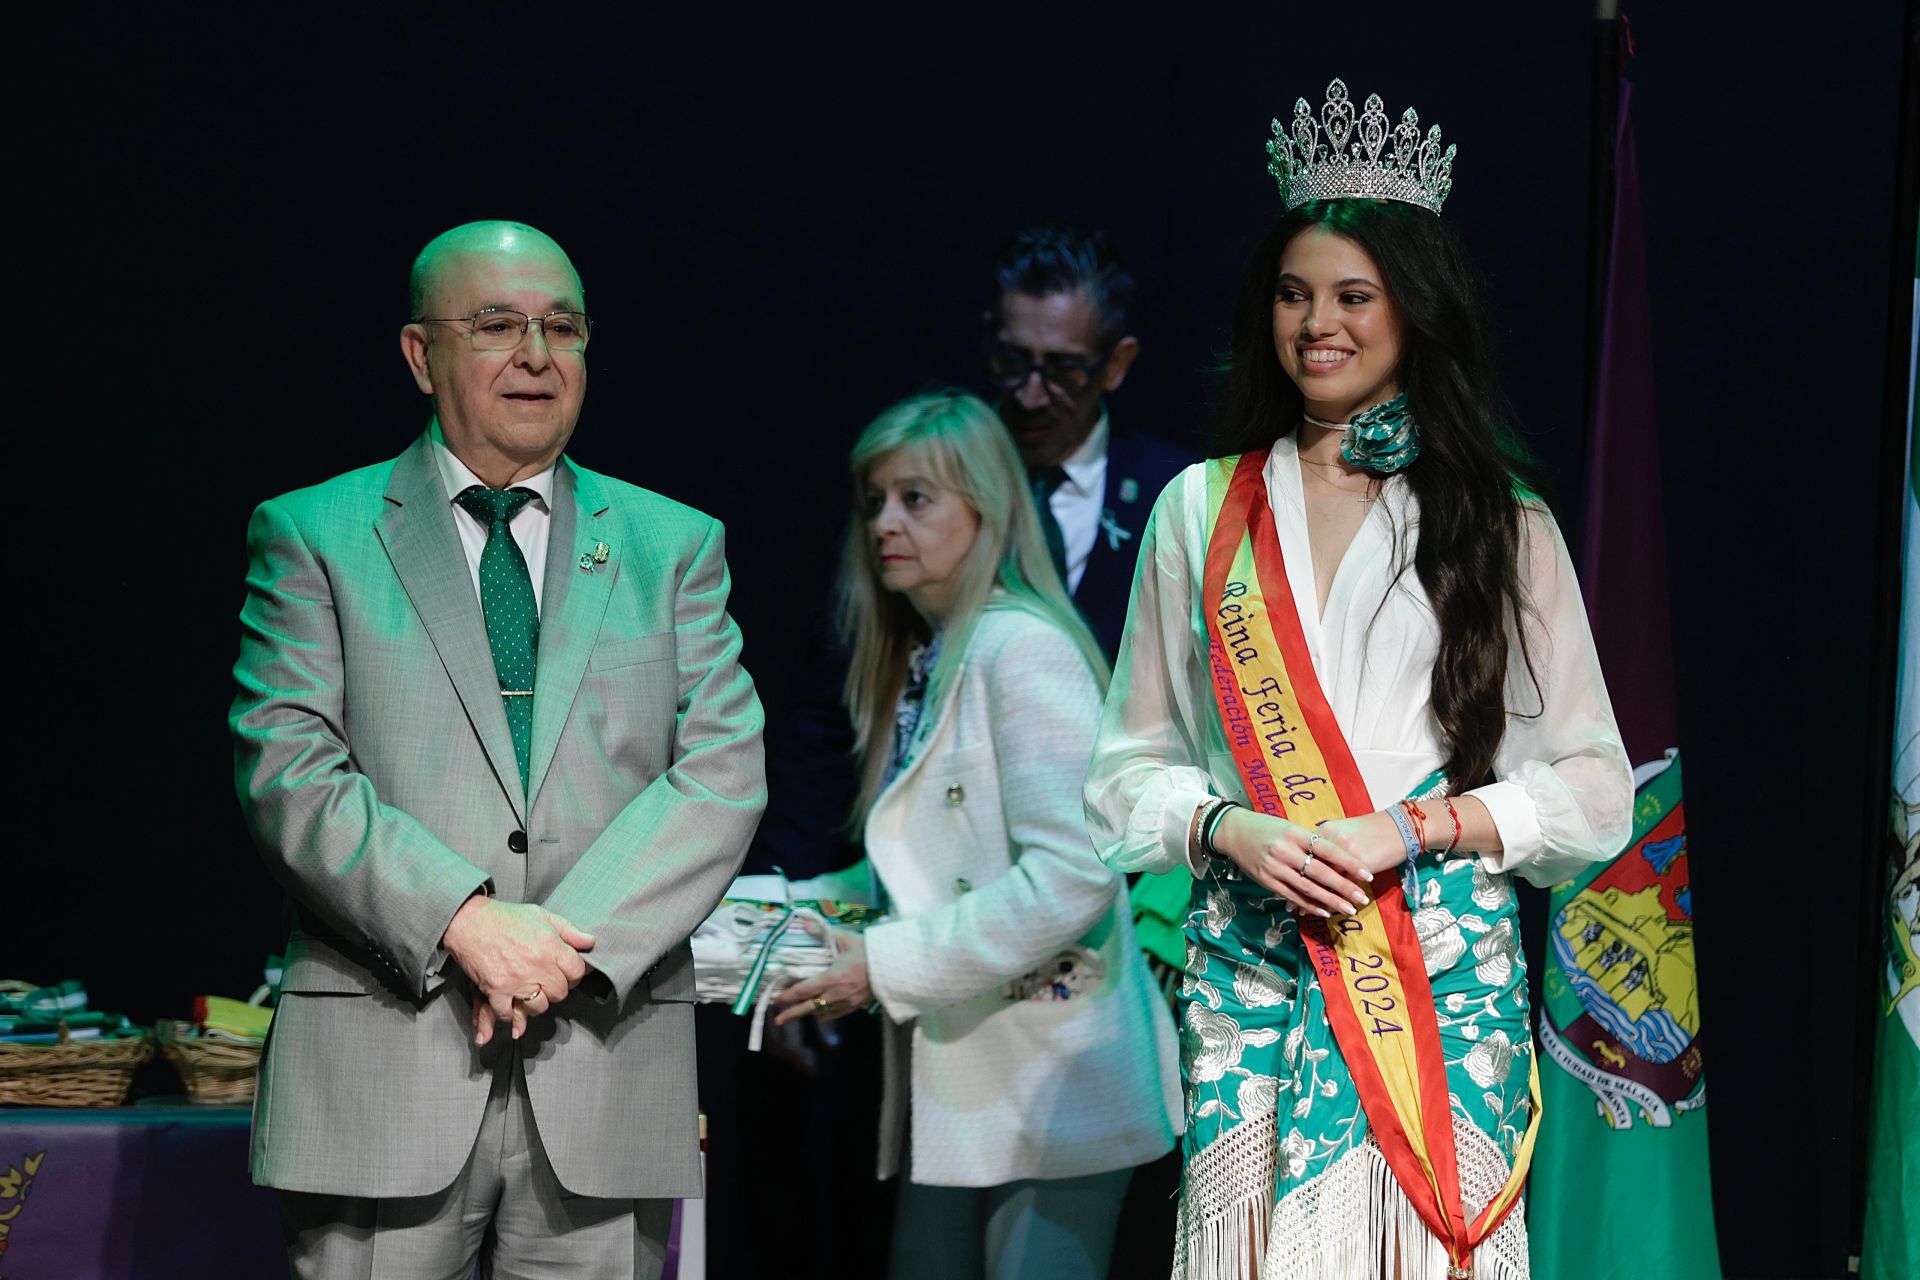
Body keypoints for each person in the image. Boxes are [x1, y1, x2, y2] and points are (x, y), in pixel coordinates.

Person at [1083, 81, 1633, 1280]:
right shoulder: (1200, 508)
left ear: (1414, 311)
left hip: (1434, 972)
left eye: (1350, 296)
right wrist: (1229, 826)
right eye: (1292, 295)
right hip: (1253, 971)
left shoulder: (1502, 520)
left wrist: (1414, 825)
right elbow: (1122, 771)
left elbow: (1596, 788)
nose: (1315, 324)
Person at [231, 220, 766, 1279]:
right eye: (497, 324)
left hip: (601, 1067)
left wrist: (553, 948)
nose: (535, 352)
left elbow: (721, 772)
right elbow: (288, 764)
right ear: (421, 354)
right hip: (387, 1069)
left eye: (560, 325)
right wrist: (465, 920)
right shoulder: (314, 533)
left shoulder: (674, 544)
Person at [770, 392, 1182, 1280]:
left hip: (1049, 1089)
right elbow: (941, 869)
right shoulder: (934, 652)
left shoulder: (1019, 649)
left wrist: (878, 965)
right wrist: (785, 918)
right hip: (968, 1086)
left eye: (916, 499)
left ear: (985, 509)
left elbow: (1072, 877)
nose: (886, 522)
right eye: (875, 499)